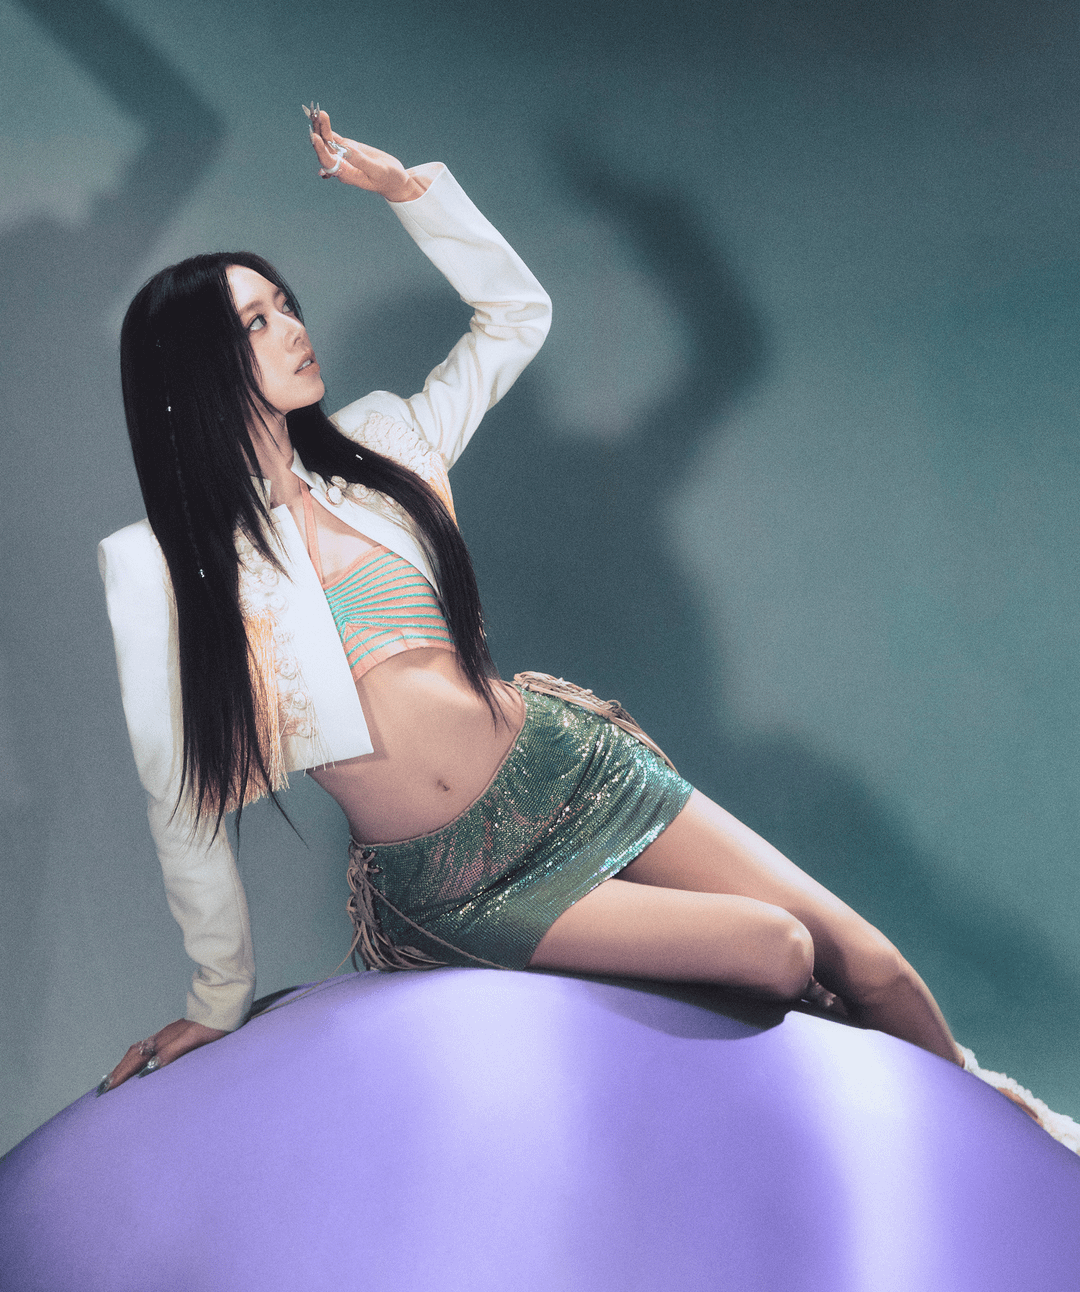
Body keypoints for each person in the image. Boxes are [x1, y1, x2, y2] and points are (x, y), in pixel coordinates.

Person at [95, 109, 1074, 1148]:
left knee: (874, 966)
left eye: (286, 305)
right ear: (192, 369)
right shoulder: (160, 569)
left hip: (569, 768)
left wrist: (408, 192)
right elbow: (180, 805)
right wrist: (217, 997)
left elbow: (515, 315)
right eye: (256, 322)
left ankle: (1020, 1145)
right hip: (454, 882)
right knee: (780, 952)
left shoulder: (385, 441)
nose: (295, 327)